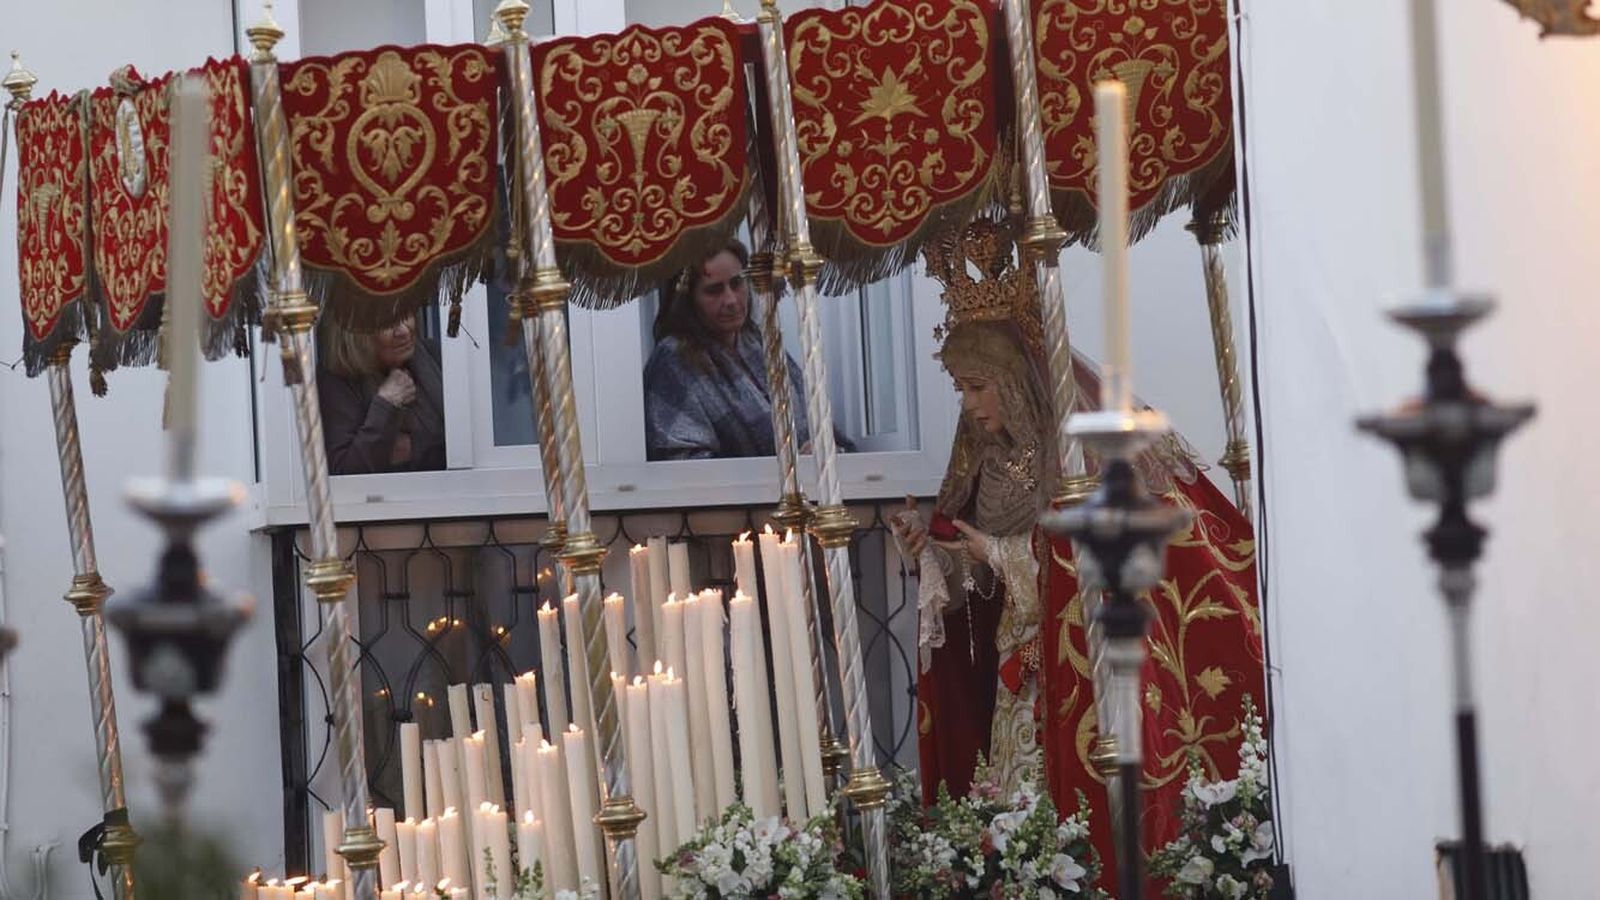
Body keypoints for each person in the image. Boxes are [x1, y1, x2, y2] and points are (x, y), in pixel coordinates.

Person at [891, 218, 1265, 892]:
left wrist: (1000, 551)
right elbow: (974, 582)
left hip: (1085, 665)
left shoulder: (1081, 457)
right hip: (1019, 675)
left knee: (1076, 820)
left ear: (1015, 379)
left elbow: (1095, 560)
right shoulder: (983, 466)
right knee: (1017, 820)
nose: (971, 406)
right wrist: (935, 556)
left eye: (980, 386)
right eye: (962, 390)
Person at [643, 239, 812, 461]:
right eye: (714, 291)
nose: (731, 300)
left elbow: (819, 425)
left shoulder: (761, 345)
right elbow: (682, 463)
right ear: (688, 299)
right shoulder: (674, 360)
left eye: (737, 283)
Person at [319, 311, 447, 474]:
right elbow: (345, 473)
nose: (404, 331)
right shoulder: (337, 381)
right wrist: (386, 403)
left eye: (406, 313)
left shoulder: (434, 357)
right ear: (354, 332)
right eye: (386, 322)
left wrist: (412, 448)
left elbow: (463, 447)